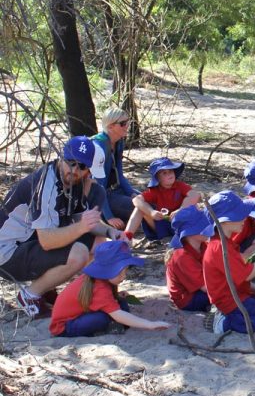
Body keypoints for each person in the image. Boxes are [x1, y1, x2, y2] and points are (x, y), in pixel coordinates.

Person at [0, 137, 121, 318]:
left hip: (29, 242)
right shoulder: (46, 185)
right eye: (70, 163)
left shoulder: (75, 182)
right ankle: (29, 295)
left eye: (82, 167)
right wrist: (81, 228)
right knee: (79, 253)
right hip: (8, 253)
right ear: (60, 158)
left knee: (96, 242)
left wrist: (111, 231)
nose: (74, 170)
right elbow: (47, 241)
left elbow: (82, 219)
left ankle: (97, 292)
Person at [203, 191, 255, 334]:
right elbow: (247, 275)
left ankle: (232, 317)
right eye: (239, 216)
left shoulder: (226, 243)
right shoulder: (220, 247)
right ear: (224, 221)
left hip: (239, 296)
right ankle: (226, 323)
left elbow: (239, 274)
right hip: (231, 303)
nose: (244, 219)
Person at [49, 241, 171, 337]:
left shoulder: (102, 280)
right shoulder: (98, 287)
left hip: (81, 314)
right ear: (106, 270)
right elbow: (118, 314)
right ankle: (105, 328)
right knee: (101, 319)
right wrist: (150, 325)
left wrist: (117, 297)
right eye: (119, 272)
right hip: (64, 326)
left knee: (121, 302)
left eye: (125, 271)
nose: (124, 276)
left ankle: (116, 325)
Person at [125, 157, 199, 241]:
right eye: (164, 173)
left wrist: (180, 210)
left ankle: (195, 232)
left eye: (171, 171)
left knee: (194, 206)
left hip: (181, 224)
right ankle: (127, 236)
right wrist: (151, 212)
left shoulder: (180, 186)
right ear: (157, 178)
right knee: (139, 208)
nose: (169, 174)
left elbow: (195, 195)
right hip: (162, 224)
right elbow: (136, 199)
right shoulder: (155, 190)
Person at [93, 108, 139, 230]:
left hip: (116, 190)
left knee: (148, 200)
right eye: (123, 123)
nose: (127, 126)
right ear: (111, 126)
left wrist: (132, 193)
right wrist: (109, 217)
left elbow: (119, 174)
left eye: (128, 122)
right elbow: (98, 187)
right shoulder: (99, 147)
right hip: (103, 197)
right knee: (142, 207)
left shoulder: (119, 142)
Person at [165, 205, 215, 312]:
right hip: (188, 299)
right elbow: (205, 288)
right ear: (190, 233)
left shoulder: (203, 245)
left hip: (201, 287)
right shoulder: (181, 256)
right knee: (228, 294)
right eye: (203, 227)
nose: (208, 229)